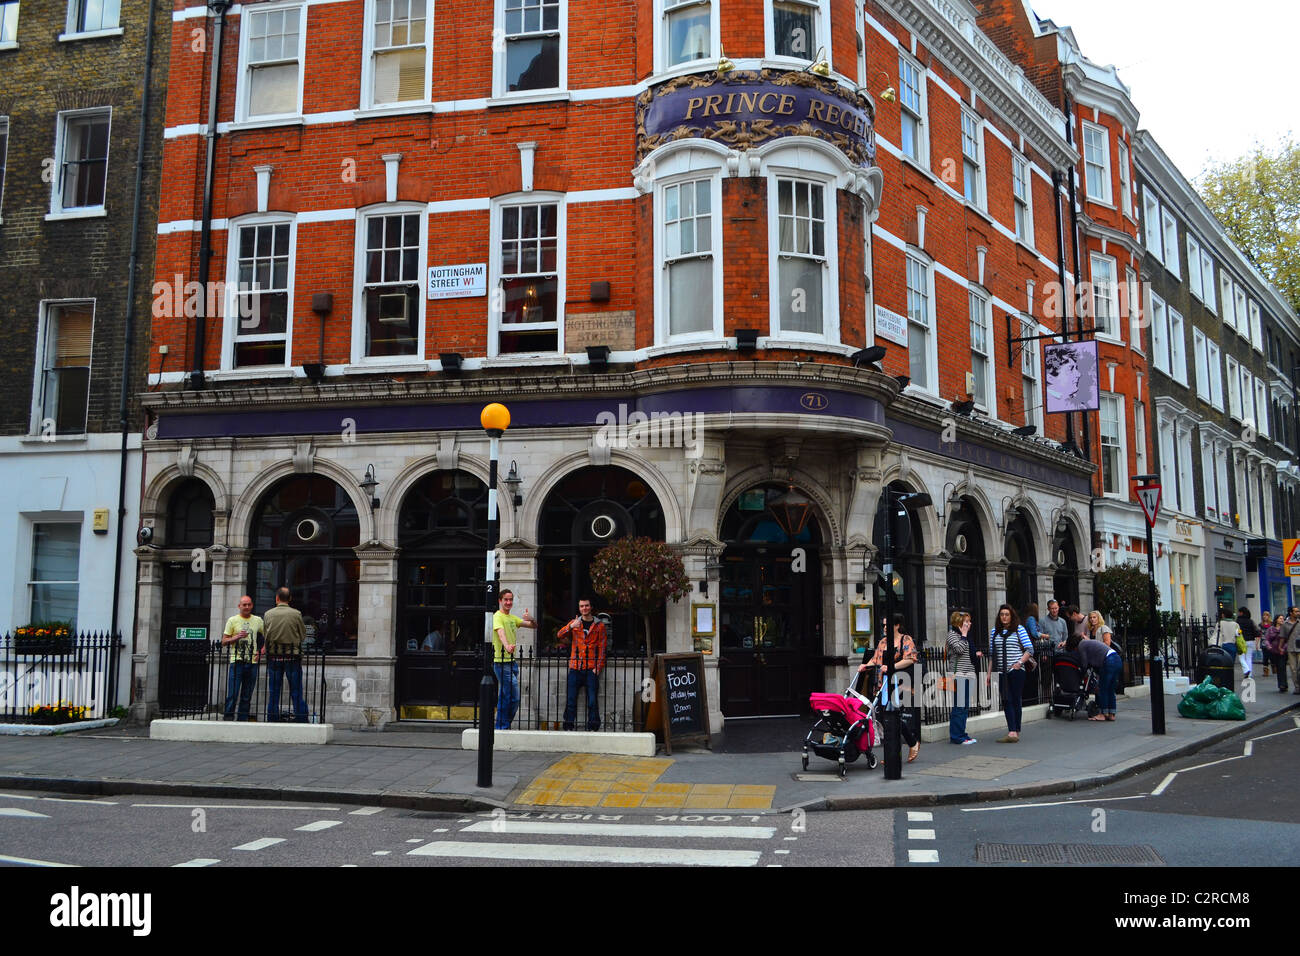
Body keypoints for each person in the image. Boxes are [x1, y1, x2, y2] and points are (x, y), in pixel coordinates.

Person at [858, 613, 920, 762]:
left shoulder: (906, 640)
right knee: (884, 718)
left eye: (888, 625)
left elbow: (911, 658)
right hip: (883, 685)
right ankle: (893, 751)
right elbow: (875, 659)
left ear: (897, 625)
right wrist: (865, 665)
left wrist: (892, 667)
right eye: (883, 625)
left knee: (895, 716)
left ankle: (911, 743)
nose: (885, 627)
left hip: (899, 684)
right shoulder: (883, 642)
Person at [556, 598, 607, 731]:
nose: (584, 608)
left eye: (586, 606)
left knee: (592, 701)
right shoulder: (575, 623)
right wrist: (571, 626)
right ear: (579, 608)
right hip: (575, 668)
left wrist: (598, 668)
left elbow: (602, 648)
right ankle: (568, 726)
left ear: (591, 607)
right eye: (581, 606)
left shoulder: (599, 625)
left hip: (591, 669)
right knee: (571, 700)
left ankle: (593, 727)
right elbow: (559, 635)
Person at [263, 586, 309, 722]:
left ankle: (272, 719)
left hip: (274, 656)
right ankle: (300, 718)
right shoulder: (296, 614)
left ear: (277, 598)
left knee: (274, 692)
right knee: (296, 691)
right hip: (292, 656)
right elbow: (302, 635)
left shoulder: (268, 614)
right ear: (290, 599)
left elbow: (266, 635)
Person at [492, 589, 536, 730]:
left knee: (509, 697)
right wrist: (506, 646)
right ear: (500, 601)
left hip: (512, 663)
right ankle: (502, 726)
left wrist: (531, 618)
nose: (509, 602)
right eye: (506, 599)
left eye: (510, 599)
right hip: (501, 662)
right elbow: (500, 633)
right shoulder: (497, 616)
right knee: (512, 697)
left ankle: (503, 725)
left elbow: (533, 626)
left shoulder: (512, 618)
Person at [990, 604, 1033, 742]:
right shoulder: (994, 632)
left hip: (1016, 671)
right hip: (1001, 671)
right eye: (1002, 614)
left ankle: (1016, 730)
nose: (1004, 617)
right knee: (1006, 700)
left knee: (1015, 699)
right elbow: (992, 655)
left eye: (1007, 614)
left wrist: (1020, 663)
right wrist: (989, 673)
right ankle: (1012, 731)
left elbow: (1029, 649)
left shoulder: (1019, 629)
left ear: (1011, 616)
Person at [221, 595, 263, 721]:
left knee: (246, 695)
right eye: (244, 605)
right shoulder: (232, 620)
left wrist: (262, 651)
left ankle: (242, 720)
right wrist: (236, 637)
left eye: (249, 604)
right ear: (239, 606)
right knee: (232, 694)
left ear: (252, 605)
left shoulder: (257, 620)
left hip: (252, 662)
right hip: (236, 661)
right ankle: (228, 719)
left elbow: (269, 636)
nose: (247, 607)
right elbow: (223, 641)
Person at [945, 611, 980, 745]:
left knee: (964, 706)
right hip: (958, 674)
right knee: (959, 706)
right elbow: (959, 649)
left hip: (968, 673)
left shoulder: (965, 636)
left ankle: (962, 733)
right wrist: (964, 635)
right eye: (966, 621)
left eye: (969, 621)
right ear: (959, 623)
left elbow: (967, 652)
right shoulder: (952, 635)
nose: (969, 624)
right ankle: (956, 736)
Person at [1084, 611, 1122, 721]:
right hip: (1101, 661)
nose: (1092, 619)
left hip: (1107, 659)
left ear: (1099, 618)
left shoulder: (1104, 628)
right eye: (1090, 618)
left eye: (1094, 617)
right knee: (1109, 688)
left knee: (1104, 688)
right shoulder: (1091, 630)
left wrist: (1090, 642)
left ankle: (1103, 713)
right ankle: (1111, 713)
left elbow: (1107, 643)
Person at [1277, 606, 1299, 694]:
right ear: (1291, 613)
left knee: (1299, 668)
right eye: (1296, 611)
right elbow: (1282, 637)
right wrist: (1280, 647)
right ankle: (1297, 687)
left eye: (1298, 611)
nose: (1298, 613)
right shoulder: (1285, 624)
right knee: (1293, 669)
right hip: (1291, 648)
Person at [1235, 607, 1258, 682]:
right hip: (1250, 640)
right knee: (1249, 657)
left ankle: (1246, 670)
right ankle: (1249, 674)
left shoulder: (1238, 621)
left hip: (1242, 641)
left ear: (1241, 612)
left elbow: (1237, 631)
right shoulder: (1250, 621)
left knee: (1241, 657)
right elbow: (1256, 631)